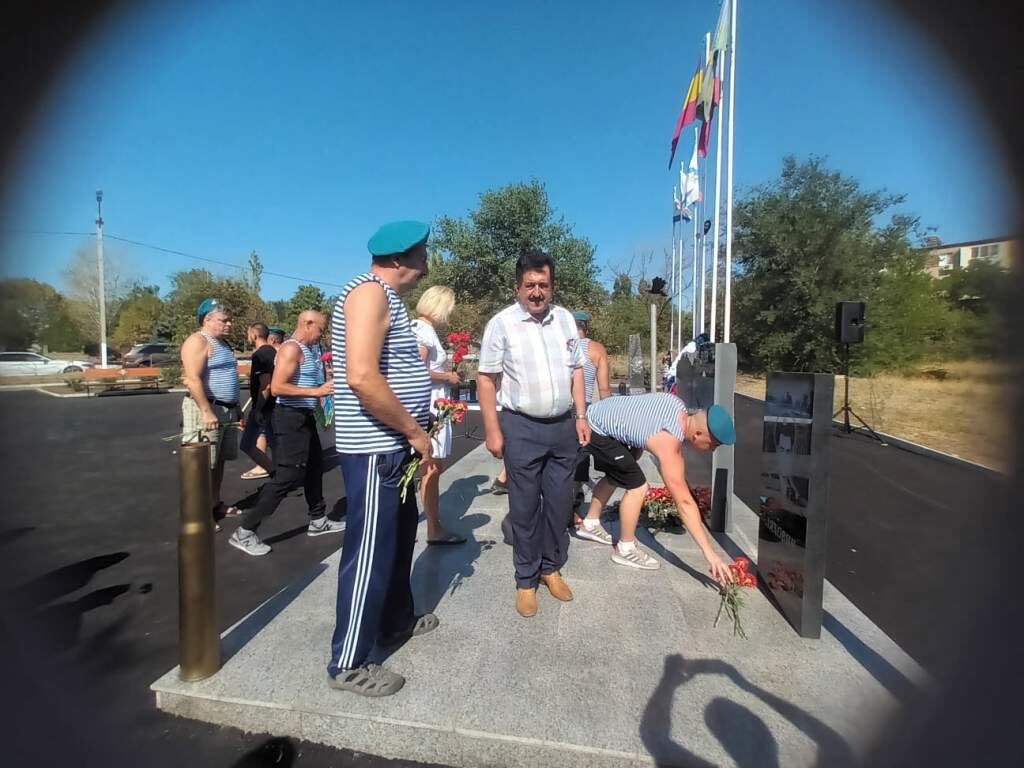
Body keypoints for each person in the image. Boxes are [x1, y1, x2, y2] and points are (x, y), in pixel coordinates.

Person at [327, 220, 437, 698]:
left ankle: (395, 621)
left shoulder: (387, 298)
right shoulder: (368, 294)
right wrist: (413, 431)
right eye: (421, 256)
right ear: (397, 259)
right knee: (370, 553)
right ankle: (348, 663)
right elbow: (361, 376)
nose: (426, 265)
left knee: (395, 543)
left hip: (394, 448)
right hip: (376, 448)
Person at [477, 249, 590, 619]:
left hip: (562, 428)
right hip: (521, 427)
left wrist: (581, 415)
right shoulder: (502, 324)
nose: (537, 292)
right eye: (530, 285)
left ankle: (550, 568)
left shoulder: (565, 320)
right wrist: (492, 430)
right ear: (518, 288)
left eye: (543, 284)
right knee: (524, 508)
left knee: (558, 503)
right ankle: (526, 580)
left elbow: (577, 369)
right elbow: (486, 379)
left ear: (552, 286)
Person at [576, 392, 736, 582]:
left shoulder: (677, 404)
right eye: (713, 445)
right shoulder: (668, 442)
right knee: (637, 486)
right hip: (594, 428)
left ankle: (590, 523)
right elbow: (684, 503)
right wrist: (710, 554)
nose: (712, 451)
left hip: (599, 414)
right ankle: (625, 549)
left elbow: (641, 416)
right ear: (698, 434)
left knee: (622, 471)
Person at [228, 311, 342, 556]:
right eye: (320, 329)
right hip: (289, 418)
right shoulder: (291, 349)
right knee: (289, 475)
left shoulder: (310, 350)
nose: (322, 334)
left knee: (314, 467)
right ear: (307, 324)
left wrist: (321, 400)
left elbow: (309, 382)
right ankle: (245, 531)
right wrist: (316, 392)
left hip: (304, 417)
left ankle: (318, 520)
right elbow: (278, 387)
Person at [410, 285, 467, 545]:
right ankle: (433, 528)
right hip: (431, 405)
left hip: (433, 402)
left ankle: (433, 523)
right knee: (431, 467)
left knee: (432, 467)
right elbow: (417, 371)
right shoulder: (422, 331)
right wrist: (447, 376)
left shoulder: (421, 328)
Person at [180, 299, 242, 531]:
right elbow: (193, 379)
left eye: (230, 320)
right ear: (207, 319)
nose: (229, 324)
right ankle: (199, 515)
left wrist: (235, 407)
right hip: (206, 411)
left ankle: (214, 504)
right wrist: (206, 411)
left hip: (226, 411)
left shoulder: (223, 344)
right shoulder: (198, 341)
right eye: (224, 320)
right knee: (202, 465)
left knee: (219, 462)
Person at [571, 310, 611, 523]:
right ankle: (574, 495)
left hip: (560, 407)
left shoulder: (562, 345)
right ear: (586, 327)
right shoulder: (596, 349)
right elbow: (604, 389)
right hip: (583, 408)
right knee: (581, 453)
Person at [240, 322, 276, 480]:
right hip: (272, 407)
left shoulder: (260, 355)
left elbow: (266, 384)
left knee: (247, 443)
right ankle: (277, 473)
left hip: (264, 408)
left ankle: (275, 473)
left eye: (248, 334)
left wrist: (258, 409)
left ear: (254, 335)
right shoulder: (273, 352)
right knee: (273, 442)